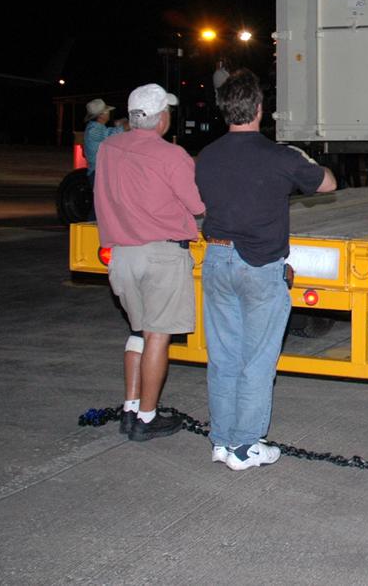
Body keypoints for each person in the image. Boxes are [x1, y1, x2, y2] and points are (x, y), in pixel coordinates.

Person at [195, 69, 336, 470]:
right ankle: (246, 445)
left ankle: (221, 442)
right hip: (259, 267)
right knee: (257, 360)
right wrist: (304, 157)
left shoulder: (208, 156)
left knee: (222, 357)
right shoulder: (280, 156)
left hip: (218, 259)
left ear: (226, 111)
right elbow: (328, 183)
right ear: (259, 108)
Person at [94, 83, 205, 442]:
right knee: (159, 335)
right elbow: (198, 205)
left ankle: (130, 407)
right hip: (161, 255)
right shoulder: (171, 155)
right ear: (160, 118)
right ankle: (146, 417)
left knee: (138, 332)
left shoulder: (109, 149)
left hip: (122, 254)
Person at [83, 98, 127, 188]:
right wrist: (129, 125)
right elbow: (110, 134)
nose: (109, 113)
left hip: (99, 171)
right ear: (100, 115)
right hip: (98, 173)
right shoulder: (93, 129)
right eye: (107, 111)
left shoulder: (97, 127)